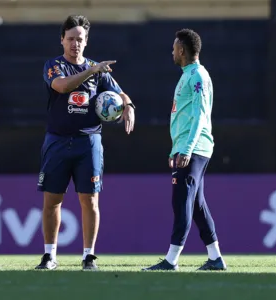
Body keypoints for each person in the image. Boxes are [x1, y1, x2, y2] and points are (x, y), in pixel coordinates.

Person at [35, 15, 135, 271]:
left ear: (86, 41)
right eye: (70, 39)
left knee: (90, 201)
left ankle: (88, 256)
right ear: (62, 40)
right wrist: (90, 71)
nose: (75, 44)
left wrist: (128, 104)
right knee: (52, 201)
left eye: (80, 39)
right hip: (57, 141)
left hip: (88, 142)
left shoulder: (98, 70)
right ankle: (49, 255)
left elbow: (119, 92)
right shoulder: (54, 65)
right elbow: (62, 86)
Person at [143, 29, 226, 271]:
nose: (172, 51)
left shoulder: (197, 75)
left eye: (174, 47)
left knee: (181, 201)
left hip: (195, 148)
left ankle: (171, 260)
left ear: (181, 50)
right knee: (197, 204)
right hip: (189, 147)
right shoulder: (189, 74)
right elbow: (185, 116)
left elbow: (200, 115)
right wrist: (175, 149)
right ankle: (215, 258)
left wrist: (187, 149)